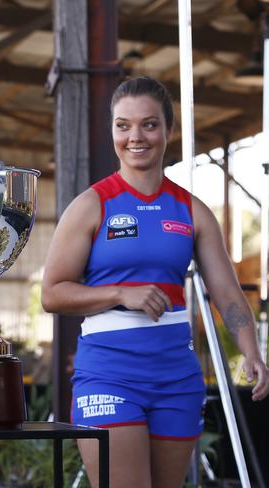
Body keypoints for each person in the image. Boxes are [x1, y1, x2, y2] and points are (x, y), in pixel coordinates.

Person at [41, 76, 269, 488]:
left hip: (175, 378)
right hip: (108, 374)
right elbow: (52, 294)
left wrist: (252, 349)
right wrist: (119, 293)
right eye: (122, 125)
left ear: (168, 129)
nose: (135, 137)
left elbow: (227, 292)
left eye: (148, 124)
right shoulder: (91, 205)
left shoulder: (192, 210)